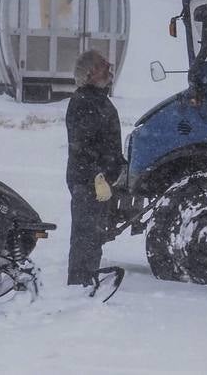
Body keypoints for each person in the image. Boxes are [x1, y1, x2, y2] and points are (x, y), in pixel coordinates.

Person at [65, 50, 125, 288]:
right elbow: (82, 146)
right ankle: (79, 284)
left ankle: (88, 281)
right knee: (85, 235)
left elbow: (107, 144)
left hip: (99, 181)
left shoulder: (99, 100)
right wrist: (97, 176)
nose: (109, 66)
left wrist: (118, 166)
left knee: (94, 235)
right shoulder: (84, 102)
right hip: (87, 181)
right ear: (90, 74)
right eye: (102, 65)